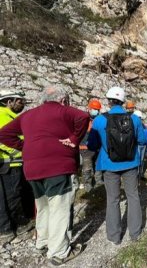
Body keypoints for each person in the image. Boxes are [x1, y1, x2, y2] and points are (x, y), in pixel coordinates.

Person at [0, 85, 89, 265]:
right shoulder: (61, 110)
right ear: (63, 100)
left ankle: (43, 242)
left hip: (32, 169)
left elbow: (4, 134)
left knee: (43, 206)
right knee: (59, 207)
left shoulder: (28, 114)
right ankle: (59, 252)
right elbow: (83, 116)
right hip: (58, 167)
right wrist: (73, 139)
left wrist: (25, 148)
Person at [87, 87, 146, 244]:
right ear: (123, 101)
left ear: (108, 101)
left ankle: (114, 236)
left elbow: (92, 145)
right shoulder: (134, 119)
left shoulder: (99, 120)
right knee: (133, 196)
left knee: (112, 200)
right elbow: (142, 140)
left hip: (109, 165)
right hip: (131, 164)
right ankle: (135, 233)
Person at [0, 89, 35, 245]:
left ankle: (14, 225)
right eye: (20, 101)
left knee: (14, 194)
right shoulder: (3, 116)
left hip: (13, 162)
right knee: (12, 195)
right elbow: (4, 141)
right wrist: (24, 148)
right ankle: (13, 228)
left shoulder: (9, 116)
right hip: (11, 163)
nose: (23, 104)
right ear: (9, 102)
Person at [79, 99, 103, 192]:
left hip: (97, 148)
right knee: (87, 168)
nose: (95, 111)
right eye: (94, 109)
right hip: (85, 148)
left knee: (98, 166)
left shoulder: (99, 119)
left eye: (97, 109)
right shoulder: (83, 119)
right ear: (89, 108)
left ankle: (99, 182)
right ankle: (87, 184)